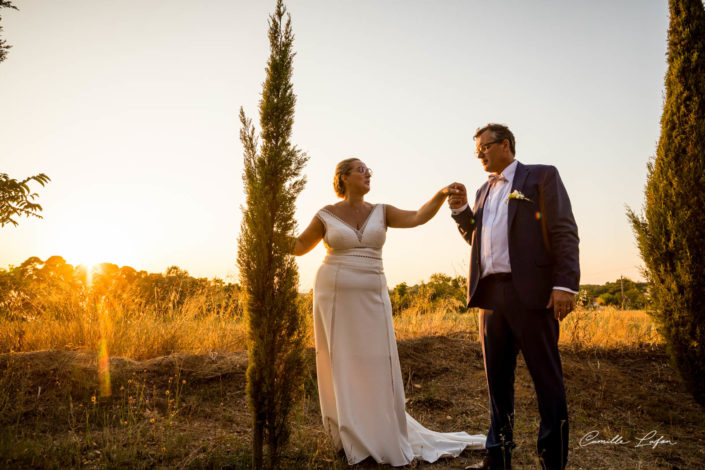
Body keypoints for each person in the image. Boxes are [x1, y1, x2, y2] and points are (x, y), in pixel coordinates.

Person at [292, 157, 486, 466]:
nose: (368, 174)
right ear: (343, 177)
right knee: (342, 360)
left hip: (372, 293)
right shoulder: (325, 214)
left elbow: (418, 217)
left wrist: (440, 195)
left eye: (369, 170)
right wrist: (267, 233)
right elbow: (300, 245)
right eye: (361, 169)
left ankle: (382, 430)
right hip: (334, 292)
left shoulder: (381, 211)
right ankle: (352, 436)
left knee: (377, 360)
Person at [448, 123, 579, 470]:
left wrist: (565, 284)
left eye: (484, 148)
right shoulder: (481, 191)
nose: (479, 155)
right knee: (497, 383)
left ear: (505, 144)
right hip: (490, 297)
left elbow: (563, 230)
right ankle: (498, 457)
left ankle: (553, 461)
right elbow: (479, 241)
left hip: (533, 295)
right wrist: (462, 212)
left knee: (546, 380)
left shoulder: (541, 177)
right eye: (476, 151)